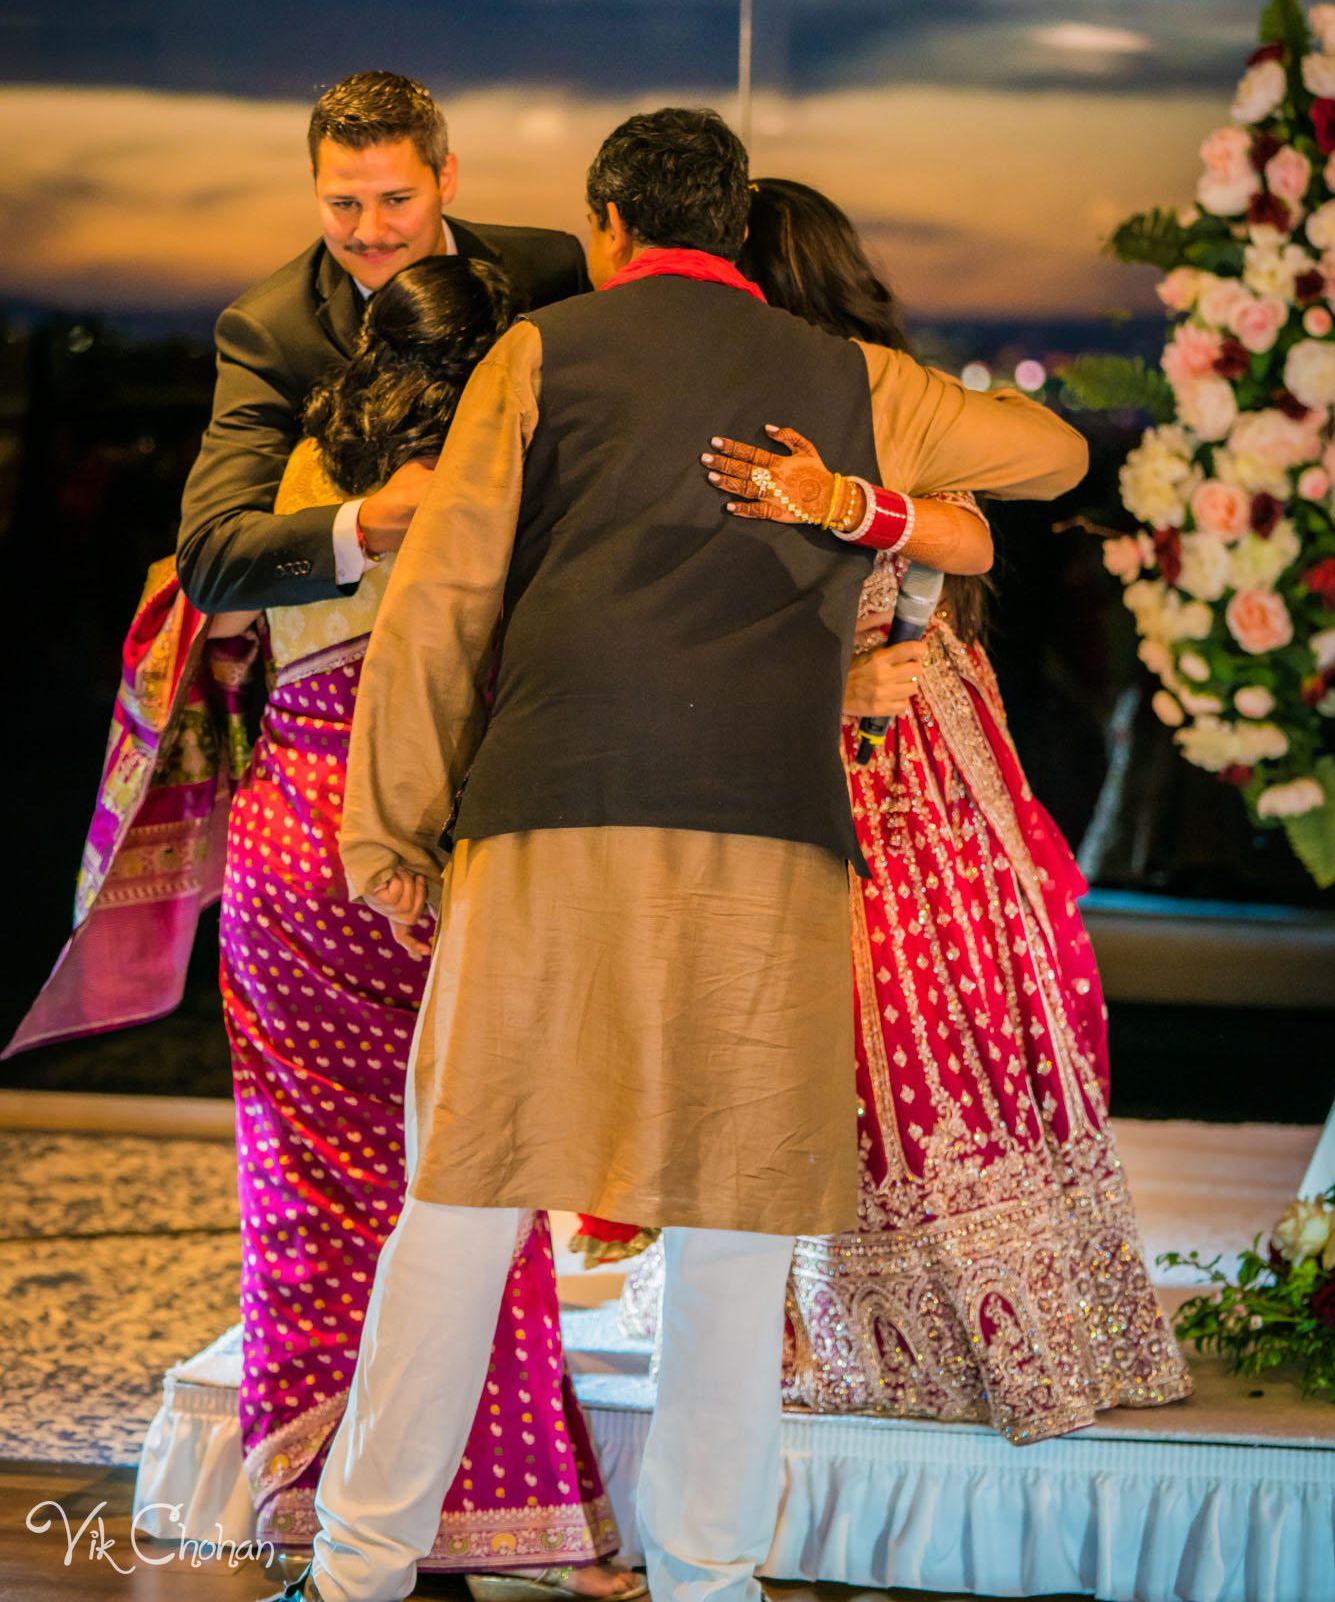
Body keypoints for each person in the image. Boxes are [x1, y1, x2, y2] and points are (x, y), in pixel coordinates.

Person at [262, 106, 1087, 1602]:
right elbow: (1050, 450)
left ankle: (356, 1574)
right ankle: (706, 1582)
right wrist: (856, 500)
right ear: (735, 225)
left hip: (549, 819)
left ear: (607, 224)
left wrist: (387, 827)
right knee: (728, 1232)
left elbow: (441, 604)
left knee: (459, 1200)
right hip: (770, 839)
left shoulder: (544, 350)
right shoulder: (847, 377)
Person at [694, 177, 1192, 1441]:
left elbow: (971, 532)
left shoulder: (869, 390)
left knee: (942, 1004)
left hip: (919, 738)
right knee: (820, 1028)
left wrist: (845, 502)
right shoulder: (705, 412)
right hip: (790, 729)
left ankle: (997, 1311)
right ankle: (838, 1319)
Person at [212, 253, 635, 1589]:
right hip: (411, 845)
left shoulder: (306, 474)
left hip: (284, 845)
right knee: (461, 1177)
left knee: (308, 1180)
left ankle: (324, 1507)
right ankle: (471, 1506)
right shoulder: (490, 482)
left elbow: (220, 614)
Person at [176, 69, 587, 616]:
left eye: (396, 200)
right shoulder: (269, 330)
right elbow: (211, 559)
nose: (369, 232)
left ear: (446, 177)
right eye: (343, 203)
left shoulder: (549, 270)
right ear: (314, 181)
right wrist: (365, 526)